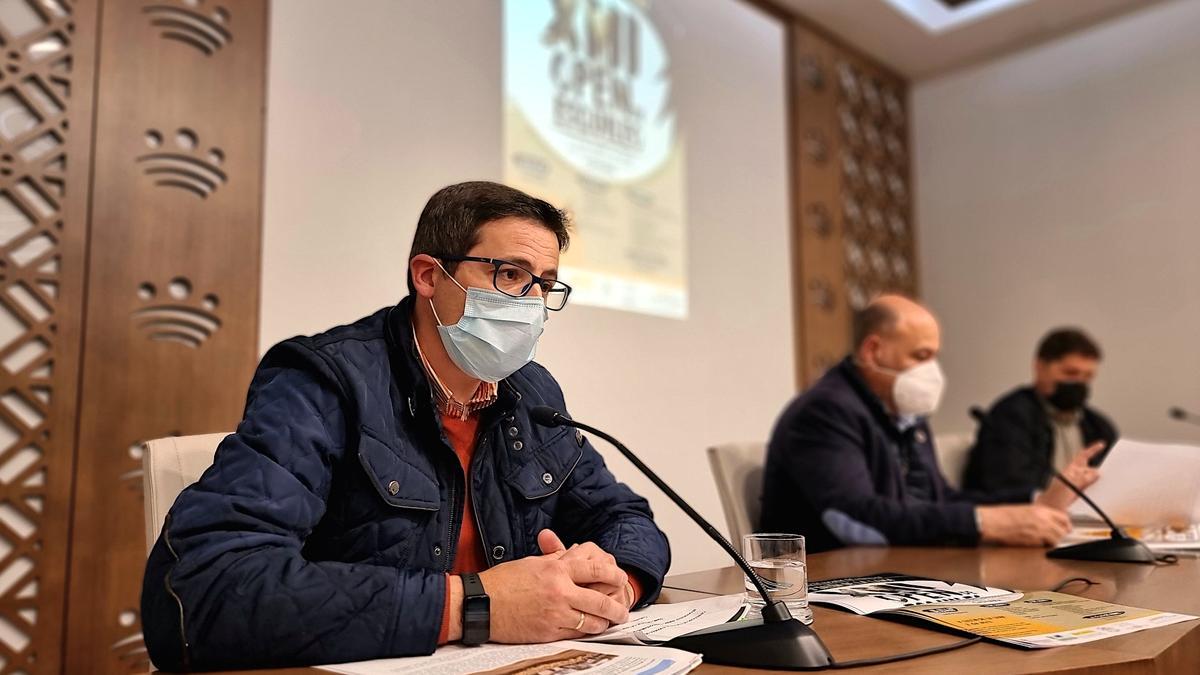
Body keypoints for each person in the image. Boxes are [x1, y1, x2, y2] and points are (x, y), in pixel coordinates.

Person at [141, 181, 671, 670]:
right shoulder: (325, 382)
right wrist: (476, 606)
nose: (532, 303)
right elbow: (210, 587)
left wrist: (617, 582)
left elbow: (624, 516)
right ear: (428, 275)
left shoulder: (530, 393)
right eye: (509, 275)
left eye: (545, 285)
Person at [759, 295, 1099, 554]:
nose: (931, 371)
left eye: (934, 357)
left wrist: (1035, 501)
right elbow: (856, 519)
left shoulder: (905, 413)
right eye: (921, 356)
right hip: (837, 589)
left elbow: (942, 499)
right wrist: (984, 523)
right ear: (874, 351)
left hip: (904, 570)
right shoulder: (825, 411)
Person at [963, 328, 1117, 497]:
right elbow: (1008, 485)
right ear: (1040, 367)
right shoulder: (1010, 417)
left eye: (1087, 376)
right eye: (1071, 373)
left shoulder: (1099, 427)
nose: (1079, 383)